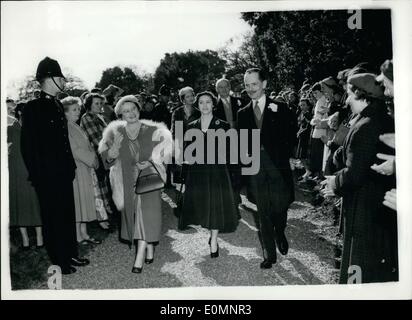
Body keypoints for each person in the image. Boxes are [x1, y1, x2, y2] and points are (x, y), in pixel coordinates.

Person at [321, 73, 398, 283]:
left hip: (363, 206)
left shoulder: (365, 126)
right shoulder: (380, 117)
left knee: (358, 262)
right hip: (377, 204)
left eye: (348, 94)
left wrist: (333, 183)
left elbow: (355, 173)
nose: (346, 100)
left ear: (360, 94)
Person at [20, 57, 89, 274]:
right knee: (53, 219)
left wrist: (69, 167)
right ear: (49, 78)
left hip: (63, 172)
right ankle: (59, 261)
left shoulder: (57, 104)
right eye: (60, 77)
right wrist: (39, 175)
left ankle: (70, 254)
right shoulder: (33, 107)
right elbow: (28, 146)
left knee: (66, 215)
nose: (64, 81)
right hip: (47, 176)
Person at [99, 95, 172, 273]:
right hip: (125, 179)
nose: (130, 113)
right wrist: (114, 149)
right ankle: (148, 246)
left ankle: (139, 255)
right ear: (120, 115)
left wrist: (151, 162)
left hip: (149, 177)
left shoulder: (154, 129)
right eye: (125, 111)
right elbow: (106, 159)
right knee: (133, 215)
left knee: (146, 214)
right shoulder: (114, 132)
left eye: (133, 109)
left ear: (139, 110)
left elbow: (167, 153)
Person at [237, 68, 297, 269]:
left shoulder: (280, 108)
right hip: (255, 169)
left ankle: (280, 231)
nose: (250, 89)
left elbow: (291, 136)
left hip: (277, 166)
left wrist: (282, 154)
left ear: (264, 84)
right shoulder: (243, 113)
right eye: (247, 85)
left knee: (280, 207)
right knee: (262, 211)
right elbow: (241, 144)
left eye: (254, 84)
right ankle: (269, 254)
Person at [178, 91, 239, 257]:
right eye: (202, 102)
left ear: (213, 105)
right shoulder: (191, 126)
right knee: (203, 205)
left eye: (208, 102)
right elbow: (187, 151)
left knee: (215, 205)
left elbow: (230, 152)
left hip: (217, 172)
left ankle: (214, 239)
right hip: (197, 172)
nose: (205, 105)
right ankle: (210, 234)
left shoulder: (223, 125)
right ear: (197, 106)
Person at [62, 96, 102, 245]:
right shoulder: (66, 127)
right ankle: (77, 237)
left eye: (78, 109)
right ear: (65, 112)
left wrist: (93, 158)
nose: (78, 112)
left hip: (84, 168)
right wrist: (92, 159)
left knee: (84, 201)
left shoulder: (75, 125)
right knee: (78, 203)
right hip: (77, 169)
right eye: (74, 110)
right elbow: (75, 150)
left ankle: (84, 234)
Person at [8, 102, 43, 250]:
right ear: (20, 114)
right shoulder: (9, 130)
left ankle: (40, 238)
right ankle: (25, 240)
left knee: (36, 203)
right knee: (20, 204)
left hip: (33, 171)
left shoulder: (35, 130)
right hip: (16, 172)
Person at [80, 93, 112, 230]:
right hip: (99, 155)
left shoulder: (101, 117)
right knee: (102, 184)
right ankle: (104, 214)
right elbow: (97, 139)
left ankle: (110, 211)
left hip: (108, 153)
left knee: (108, 183)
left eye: (101, 103)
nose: (100, 106)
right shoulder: (87, 118)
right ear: (89, 105)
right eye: (96, 103)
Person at [170, 86, 200, 184]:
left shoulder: (198, 112)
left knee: (195, 176)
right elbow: (176, 132)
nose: (191, 98)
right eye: (187, 96)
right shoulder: (178, 112)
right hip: (181, 146)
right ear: (182, 99)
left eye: (192, 95)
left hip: (196, 147)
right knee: (182, 176)